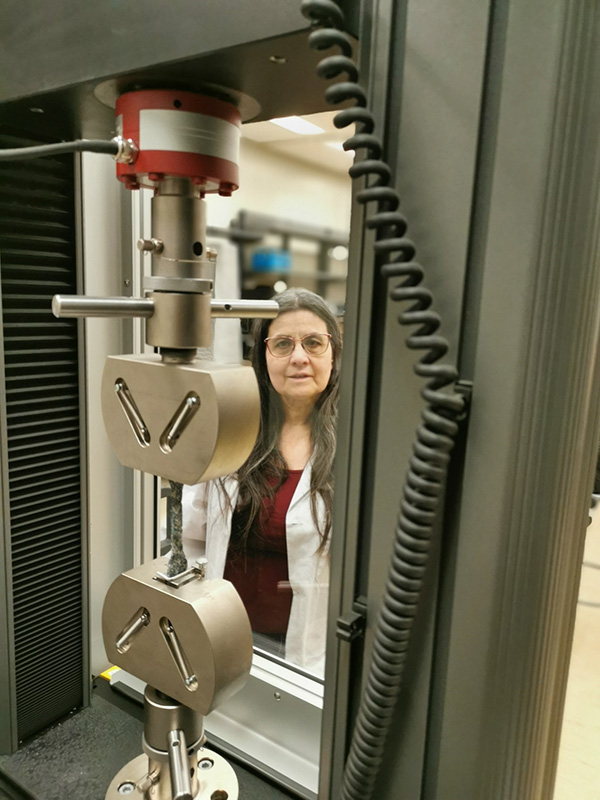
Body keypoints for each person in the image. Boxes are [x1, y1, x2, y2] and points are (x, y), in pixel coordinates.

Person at [180, 288, 342, 677]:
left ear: (333, 354)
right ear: (263, 355)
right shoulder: (233, 432)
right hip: (223, 636)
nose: (299, 357)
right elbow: (194, 532)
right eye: (283, 343)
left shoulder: (359, 445)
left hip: (308, 652)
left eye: (314, 343)